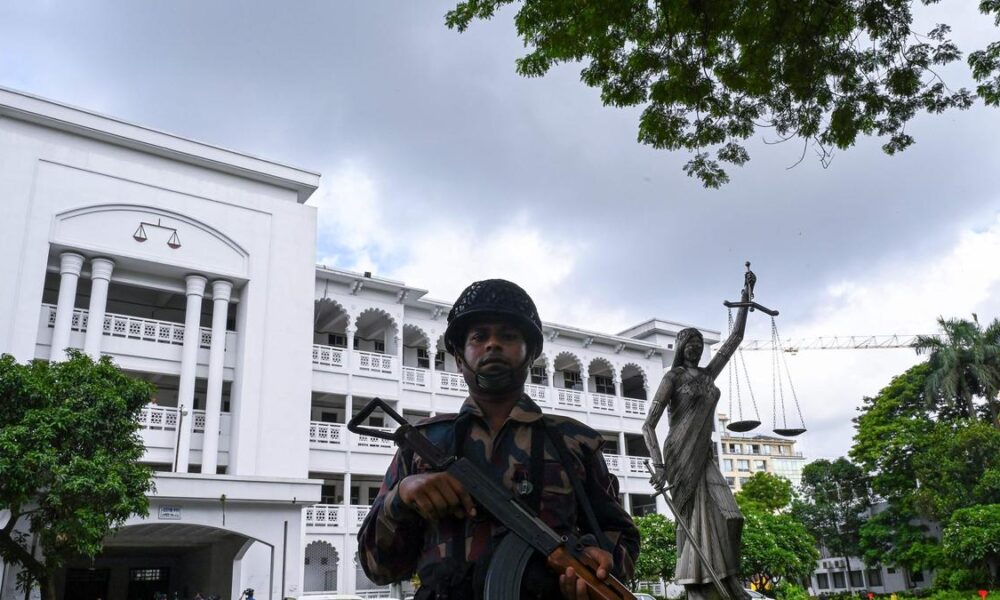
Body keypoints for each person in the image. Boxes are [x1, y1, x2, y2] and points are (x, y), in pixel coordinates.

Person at [358, 279, 640, 600]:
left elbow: (621, 536)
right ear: (459, 356)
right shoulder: (424, 443)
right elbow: (378, 569)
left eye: (507, 335)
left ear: (530, 352)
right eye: (479, 337)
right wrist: (401, 498)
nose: (493, 344)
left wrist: (601, 560)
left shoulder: (574, 442)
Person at [641, 277, 754, 600]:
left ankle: (727, 577)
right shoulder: (673, 377)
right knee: (695, 520)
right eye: (689, 343)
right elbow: (648, 424)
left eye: (699, 343)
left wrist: (745, 301)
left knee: (730, 516)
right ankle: (700, 584)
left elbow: (735, 339)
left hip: (704, 455)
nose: (695, 347)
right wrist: (659, 466)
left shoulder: (707, 375)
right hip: (680, 454)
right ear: (680, 347)